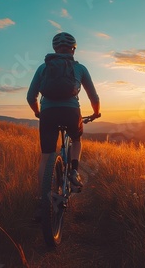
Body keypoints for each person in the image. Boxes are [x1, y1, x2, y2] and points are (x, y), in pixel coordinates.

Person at [27, 32, 100, 193]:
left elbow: (30, 96)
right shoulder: (80, 68)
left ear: (54, 48)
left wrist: (38, 112)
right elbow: (93, 97)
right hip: (71, 112)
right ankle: (74, 171)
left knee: (46, 157)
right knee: (76, 139)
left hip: (48, 113)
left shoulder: (43, 68)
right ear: (73, 50)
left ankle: (42, 202)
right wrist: (96, 113)